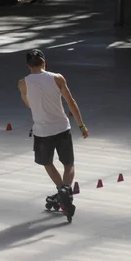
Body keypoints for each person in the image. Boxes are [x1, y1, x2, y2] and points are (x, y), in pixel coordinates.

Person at [17, 49, 89, 220]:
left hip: (42, 131)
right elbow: (71, 102)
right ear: (44, 62)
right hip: (62, 127)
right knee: (69, 164)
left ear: (28, 66)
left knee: (47, 163)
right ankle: (66, 190)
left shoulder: (22, 83)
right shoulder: (57, 78)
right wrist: (82, 125)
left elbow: (28, 104)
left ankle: (61, 190)